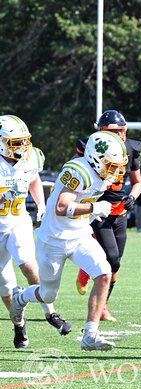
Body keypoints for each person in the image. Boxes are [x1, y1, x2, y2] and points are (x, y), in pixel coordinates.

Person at [10, 130, 128, 351]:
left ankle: (90, 336)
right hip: (53, 240)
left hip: (79, 234)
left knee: (104, 273)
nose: (116, 171)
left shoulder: (99, 173)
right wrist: (95, 207)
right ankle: (21, 297)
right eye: (111, 165)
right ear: (96, 158)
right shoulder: (78, 170)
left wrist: (92, 213)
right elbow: (62, 207)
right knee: (47, 294)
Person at [0, 115, 71, 349]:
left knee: (30, 267)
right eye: (16, 142)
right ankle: (18, 324)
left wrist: (40, 205)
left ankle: (51, 314)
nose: (22, 146)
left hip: (18, 221)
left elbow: (34, 179)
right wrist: (7, 194)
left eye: (24, 141)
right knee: (6, 287)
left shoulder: (30, 156)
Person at [74, 110, 141, 322]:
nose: (115, 135)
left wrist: (132, 196)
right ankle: (97, 296)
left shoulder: (131, 147)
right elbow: (73, 169)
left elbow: (138, 181)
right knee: (111, 257)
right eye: (109, 132)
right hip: (97, 210)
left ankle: (103, 304)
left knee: (116, 263)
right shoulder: (89, 146)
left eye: (119, 131)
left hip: (119, 210)